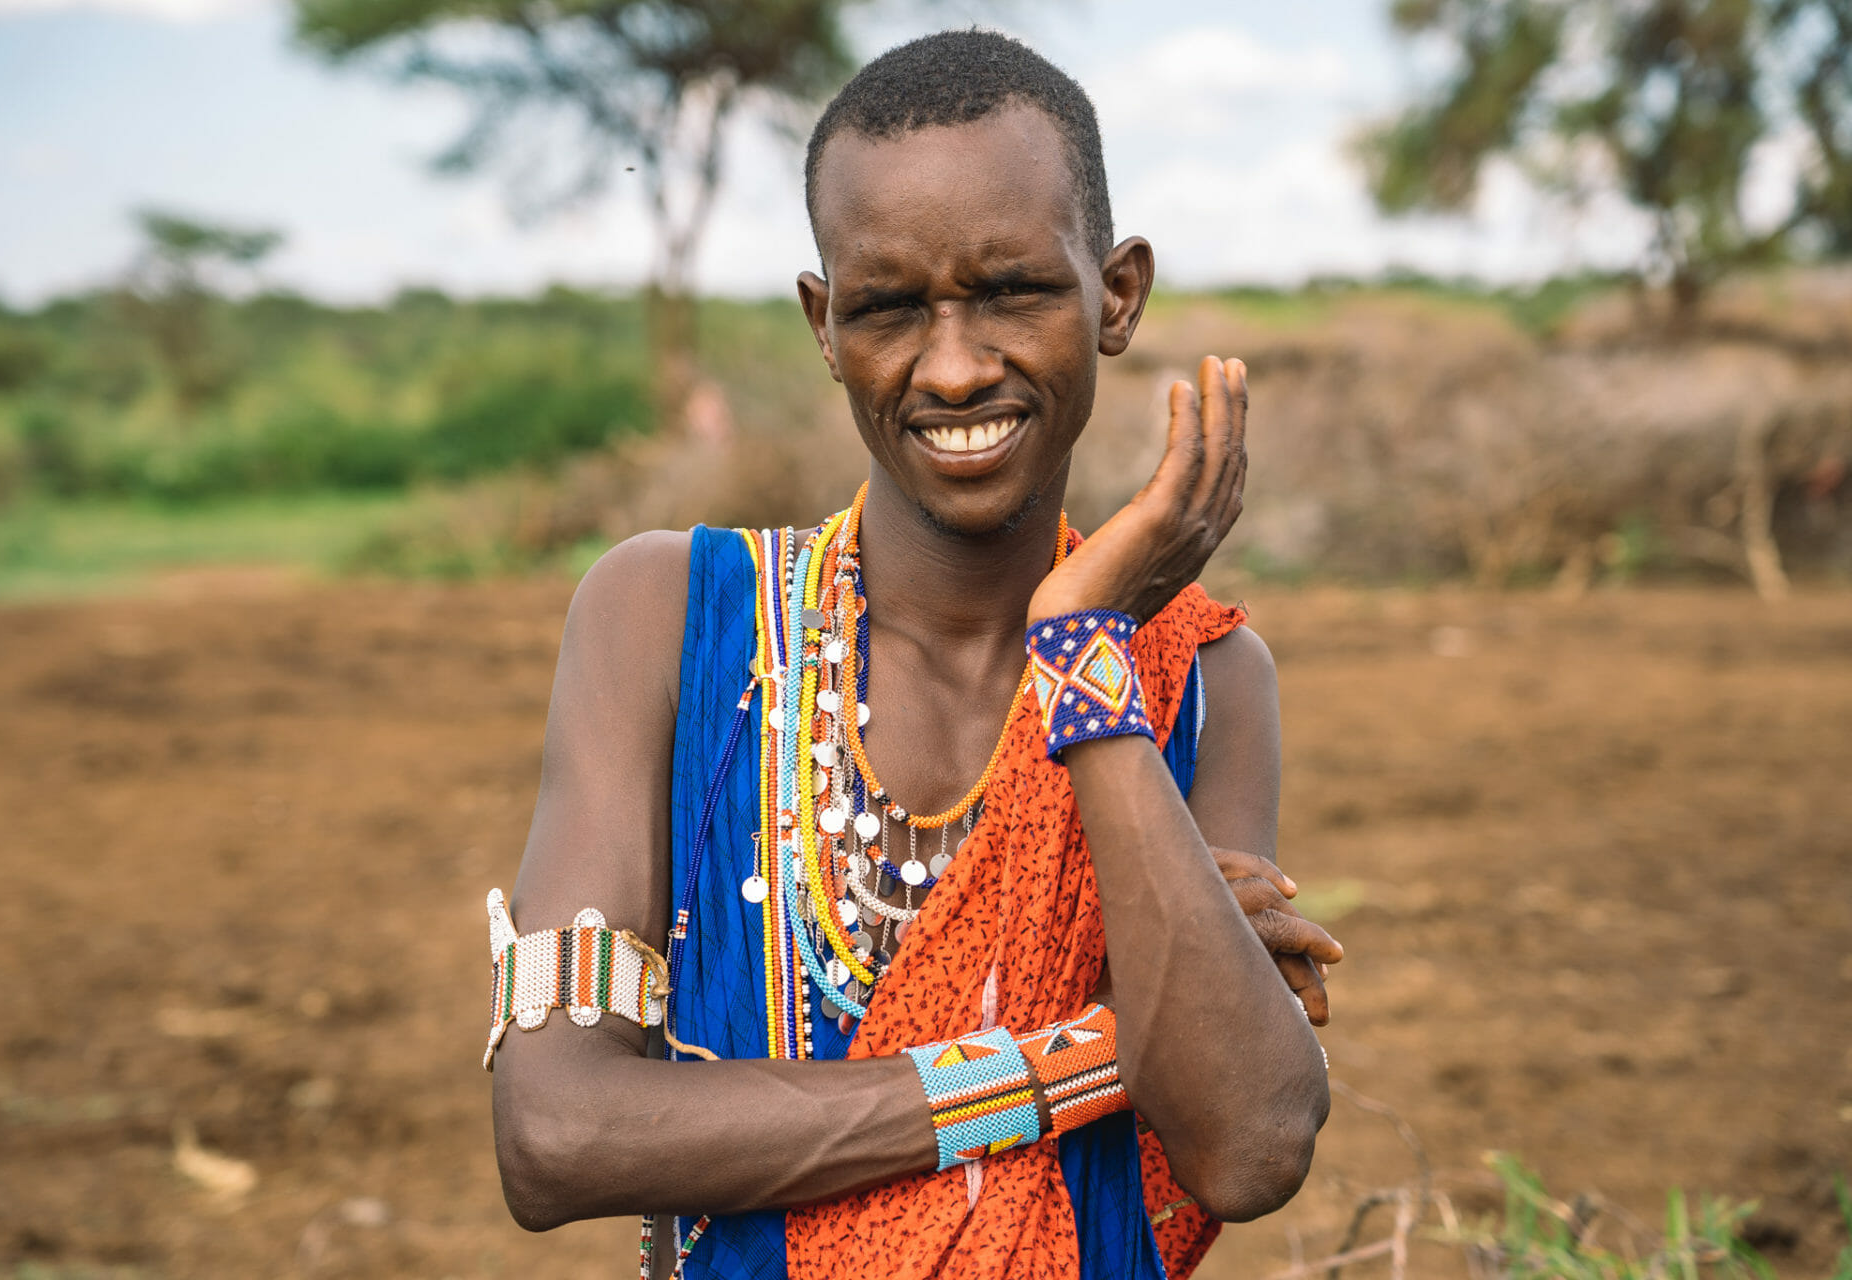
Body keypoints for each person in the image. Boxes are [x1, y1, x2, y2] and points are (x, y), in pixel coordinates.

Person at [485, 29, 1343, 1280]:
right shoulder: (668, 618)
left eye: (1012, 291)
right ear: (825, 324)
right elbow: (556, 1130)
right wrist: (1084, 1054)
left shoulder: (1199, 674)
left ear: (1118, 294)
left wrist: (1083, 651)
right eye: (890, 307)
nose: (953, 366)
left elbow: (1248, 1141)